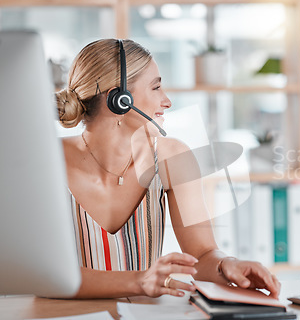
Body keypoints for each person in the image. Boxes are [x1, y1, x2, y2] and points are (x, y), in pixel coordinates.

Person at [56, 39, 280, 298]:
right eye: (156, 87)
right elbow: (48, 276)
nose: (167, 101)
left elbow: (203, 255)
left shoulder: (172, 157)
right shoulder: (48, 161)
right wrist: (139, 281)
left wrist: (226, 265)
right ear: (119, 98)